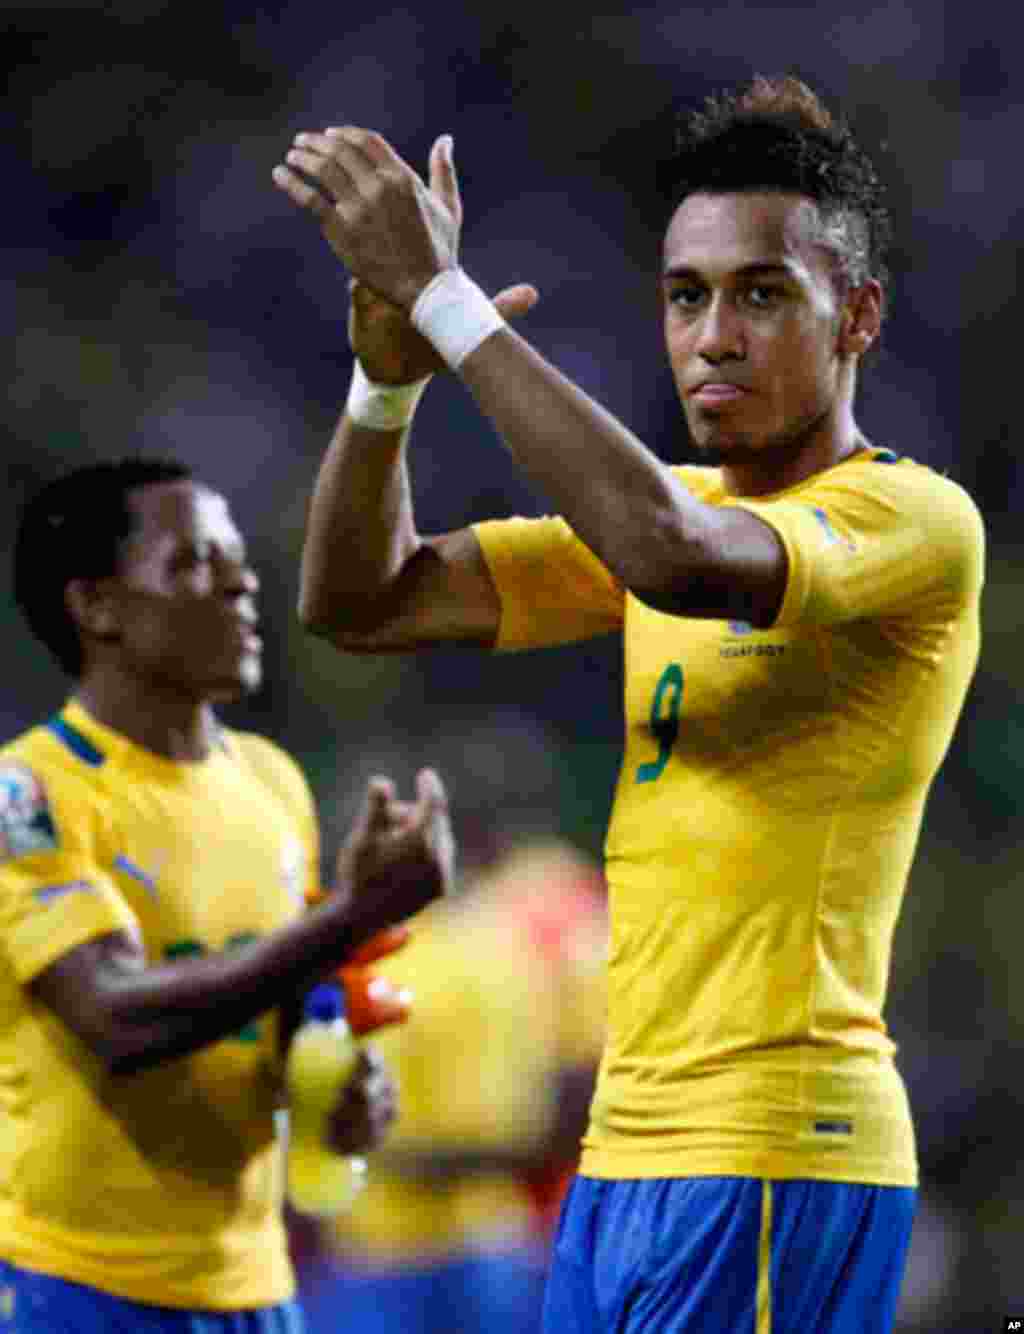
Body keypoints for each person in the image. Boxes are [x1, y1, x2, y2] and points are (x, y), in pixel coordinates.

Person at [275, 75, 985, 1333]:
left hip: (779, 1144)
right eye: (687, 294)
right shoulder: (666, 512)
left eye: (762, 294)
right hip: (619, 1163)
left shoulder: (911, 521)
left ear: (858, 316)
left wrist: (446, 303)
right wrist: (384, 390)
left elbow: (672, 549)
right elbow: (359, 600)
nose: (714, 333)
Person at [0, 458, 455, 1333]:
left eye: (237, 558)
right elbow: (114, 1018)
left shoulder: (271, 783)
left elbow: (281, 1011)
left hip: (255, 1291)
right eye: (195, 563)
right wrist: (350, 916)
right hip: (77, 1290)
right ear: (96, 606)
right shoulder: (33, 792)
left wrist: (341, 1082)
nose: (244, 582)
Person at [298, 836, 606, 1334]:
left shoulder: (362, 967)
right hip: (495, 1236)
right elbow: (571, 1080)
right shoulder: (505, 953)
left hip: (381, 1247)